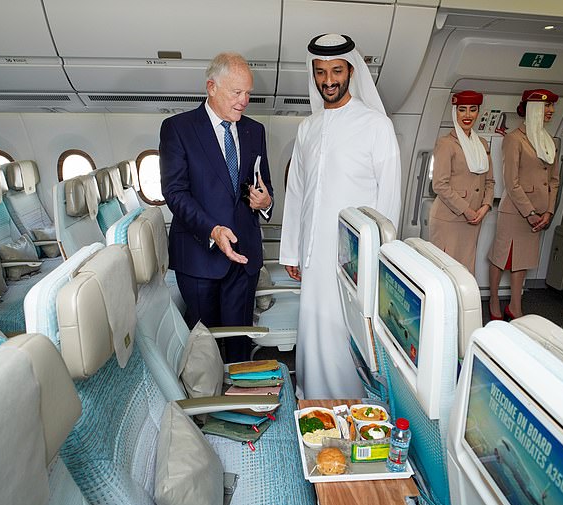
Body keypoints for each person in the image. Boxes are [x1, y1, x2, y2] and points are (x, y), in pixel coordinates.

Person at [279, 33, 401, 399]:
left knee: (347, 338)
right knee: (314, 334)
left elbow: (389, 199)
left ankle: (352, 408)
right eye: (320, 72)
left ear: (351, 70)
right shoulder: (307, 128)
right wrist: (291, 252)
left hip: (354, 258)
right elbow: (297, 193)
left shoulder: (377, 126)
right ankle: (312, 402)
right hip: (314, 257)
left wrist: (380, 260)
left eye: (336, 70)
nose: (328, 80)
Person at [159, 52, 274, 362]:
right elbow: (175, 192)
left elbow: (264, 186)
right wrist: (213, 230)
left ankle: (240, 403)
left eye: (248, 92)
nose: (245, 100)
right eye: (237, 92)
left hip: (244, 255)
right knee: (203, 349)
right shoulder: (178, 128)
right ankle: (209, 407)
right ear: (211, 87)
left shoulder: (254, 130)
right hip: (200, 256)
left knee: (239, 342)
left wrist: (266, 201)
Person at [488, 88, 559, 320]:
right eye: (546, 106)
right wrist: (529, 213)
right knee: (502, 257)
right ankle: (495, 299)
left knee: (523, 261)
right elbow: (511, 181)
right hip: (515, 211)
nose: (551, 111)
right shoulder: (514, 139)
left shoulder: (549, 142)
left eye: (551, 106)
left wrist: (549, 210)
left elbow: (554, 180)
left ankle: (516, 306)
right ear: (534, 109)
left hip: (539, 212)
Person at [429, 90, 494, 274]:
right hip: (449, 219)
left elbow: (490, 181)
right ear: (454, 112)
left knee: (465, 272)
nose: (467, 115)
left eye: (472, 110)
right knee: (444, 273)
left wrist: (486, 206)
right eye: (462, 110)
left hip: (474, 219)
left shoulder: (482, 144)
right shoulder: (446, 143)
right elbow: (440, 184)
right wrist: (467, 210)